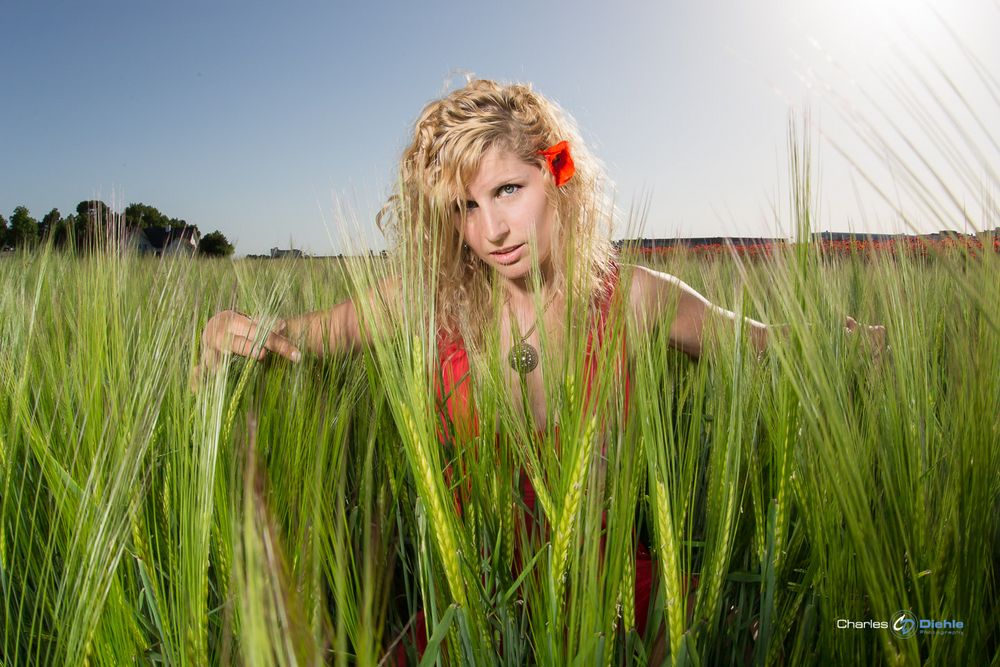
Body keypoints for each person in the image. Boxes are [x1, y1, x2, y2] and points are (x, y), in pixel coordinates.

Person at [197, 79, 884, 659]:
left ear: (558, 175)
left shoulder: (636, 299)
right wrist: (236, 333)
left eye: (506, 190)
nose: (489, 229)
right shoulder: (424, 301)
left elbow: (759, 342)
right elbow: (299, 339)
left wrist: (852, 339)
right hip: (470, 608)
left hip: (610, 592)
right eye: (465, 206)